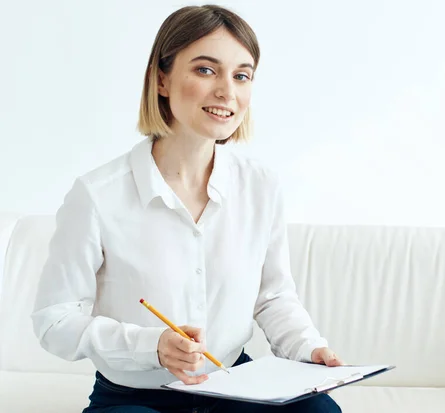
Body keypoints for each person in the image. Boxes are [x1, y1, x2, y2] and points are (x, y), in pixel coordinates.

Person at [31, 4, 343, 413]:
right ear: (161, 79)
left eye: (242, 75)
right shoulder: (96, 195)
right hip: (136, 398)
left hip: (236, 385)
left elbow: (272, 297)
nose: (227, 92)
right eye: (205, 70)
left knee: (320, 412)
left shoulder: (260, 186)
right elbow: (54, 320)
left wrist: (309, 349)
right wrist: (152, 346)